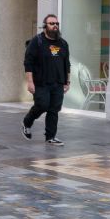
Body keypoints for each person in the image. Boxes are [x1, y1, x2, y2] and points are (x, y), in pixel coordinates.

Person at [21, 14, 70, 146]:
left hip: (58, 82)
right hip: (41, 82)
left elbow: (67, 64)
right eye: (51, 23)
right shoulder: (37, 42)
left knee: (54, 109)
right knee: (42, 105)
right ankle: (27, 122)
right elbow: (28, 63)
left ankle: (50, 137)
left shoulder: (63, 43)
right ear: (45, 26)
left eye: (57, 24)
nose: (55, 26)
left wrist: (67, 82)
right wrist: (30, 82)